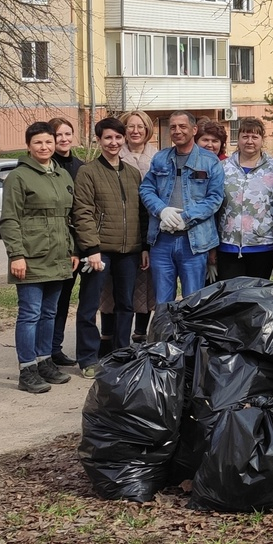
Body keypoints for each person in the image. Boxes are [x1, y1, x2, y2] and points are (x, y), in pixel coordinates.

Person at [1, 122, 78, 393]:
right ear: (28, 146)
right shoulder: (18, 177)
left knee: (50, 313)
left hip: (58, 256)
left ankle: (45, 362)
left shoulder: (62, 176)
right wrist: (16, 255)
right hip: (31, 257)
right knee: (30, 314)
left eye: (48, 142)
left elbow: (68, 219)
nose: (44, 147)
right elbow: (10, 220)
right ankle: (27, 369)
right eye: (38, 143)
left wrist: (72, 251)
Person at [71, 118, 149, 378]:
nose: (114, 143)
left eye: (118, 138)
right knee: (90, 304)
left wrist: (144, 246)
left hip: (129, 251)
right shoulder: (88, 172)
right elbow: (82, 212)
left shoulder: (131, 172)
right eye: (108, 138)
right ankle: (88, 357)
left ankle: (121, 353)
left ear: (123, 139)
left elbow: (141, 212)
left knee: (125, 304)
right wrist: (91, 248)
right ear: (99, 140)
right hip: (99, 250)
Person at [139, 111, 224, 304]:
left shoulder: (210, 162)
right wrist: (162, 210)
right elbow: (146, 189)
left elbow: (215, 199)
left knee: (193, 300)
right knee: (162, 301)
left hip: (194, 242)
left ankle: (189, 335)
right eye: (173, 127)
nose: (177, 131)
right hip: (161, 241)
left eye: (182, 126)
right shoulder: (160, 158)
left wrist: (184, 218)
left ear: (194, 130)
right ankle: (165, 335)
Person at [100, 109, 157, 347]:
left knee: (146, 284)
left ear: (147, 131)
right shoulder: (114, 155)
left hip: (148, 229)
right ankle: (109, 336)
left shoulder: (158, 157)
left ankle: (140, 334)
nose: (135, 131)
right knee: (112, 289)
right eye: (130, 127)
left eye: (140, 127)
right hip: (116, 233)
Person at [214, 117, 273, 281]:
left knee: (257, 297)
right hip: (227, 244)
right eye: (245, 136)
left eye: (255, 137)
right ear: (238, 139)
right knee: (231, 297)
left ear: (262, 140)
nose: (249, 141)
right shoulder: (223, 168)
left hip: (263, 244)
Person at [47, 117, 84, 367]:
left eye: (67, 134)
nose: (64, 139)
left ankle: (56, 348)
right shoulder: (47, 166)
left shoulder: (81, 166)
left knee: (67, 299)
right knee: (54, 301)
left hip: (78, 245)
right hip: (56, 244)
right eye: (58, 135)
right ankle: (47, 350)